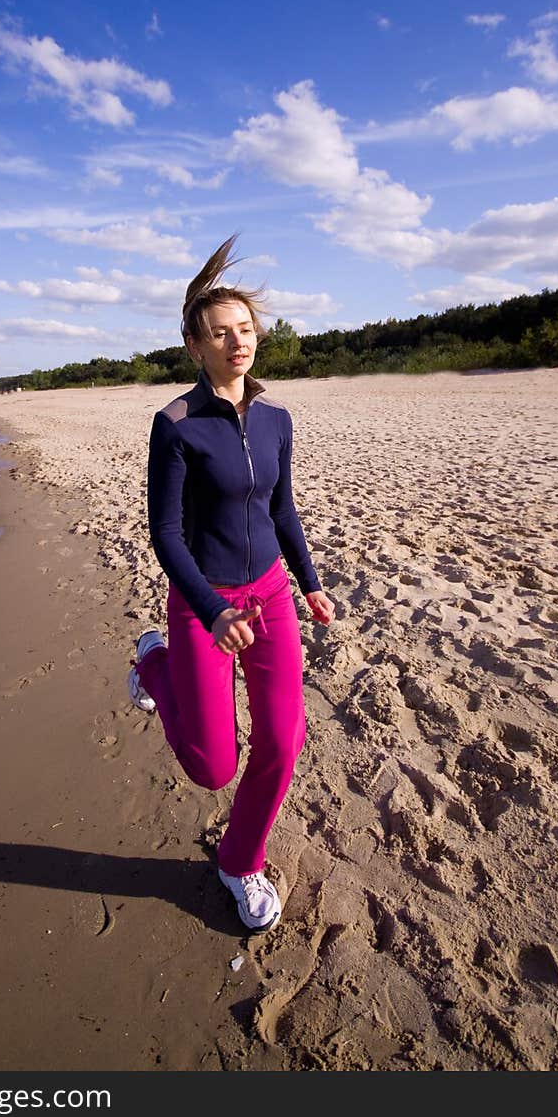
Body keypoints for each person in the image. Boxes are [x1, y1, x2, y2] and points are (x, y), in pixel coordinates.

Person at [128, 234, 334, 932]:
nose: (237, 342)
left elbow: (281, 509)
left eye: (245, 329)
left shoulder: (277, 419)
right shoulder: (176, 425)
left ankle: (239, 860)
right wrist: (211, 611)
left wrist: (308, 583)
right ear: (196, 346)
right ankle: (153, 663)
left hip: (269, 595)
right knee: (213, 768)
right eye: (221, 334)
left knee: (282, 741)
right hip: (201, 605)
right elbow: (166, 534)